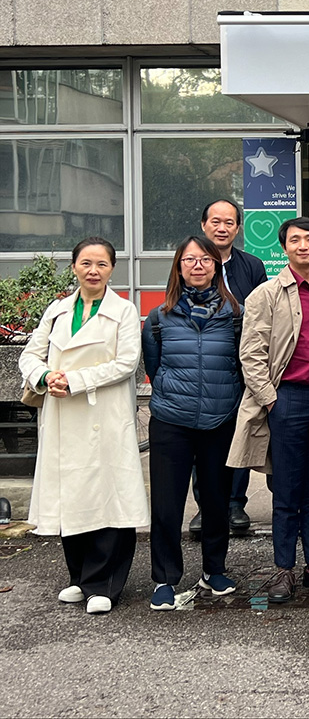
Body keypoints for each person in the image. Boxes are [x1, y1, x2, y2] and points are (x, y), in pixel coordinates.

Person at [227, 218, 309, 604]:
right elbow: (251, 354)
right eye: (295, 240)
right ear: (284, 248)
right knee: (285, 489)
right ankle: (283, 568)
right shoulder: (265, 294)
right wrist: (269, 399)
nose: (303, 245)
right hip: (286, 399)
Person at [19, 237, 149, 615]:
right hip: (63, 415)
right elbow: (30, 353)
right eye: (86, 263)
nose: (94, 271)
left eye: (102, 264)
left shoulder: (123, 311)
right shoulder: (57, 310)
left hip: (102, 414)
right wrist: (44, 376)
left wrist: (73, 381)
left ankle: (104, 584)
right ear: (74, 266)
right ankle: (78, 577)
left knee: (109, 497)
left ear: (112, 269)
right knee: (71, 495)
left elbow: (126, 363)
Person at [143, 236, 243, 610]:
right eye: (189, 259)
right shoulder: (159, 317)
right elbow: (153, 367)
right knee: (167, 504)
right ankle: (165, 579)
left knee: (217, 500)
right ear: (178, 266)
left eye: (205, 259)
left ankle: (214, 570)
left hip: (220, 418)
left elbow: (242, 363)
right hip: (172, 419)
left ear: (216, 266)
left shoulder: (235, 313)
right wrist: (173, 392)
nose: (197, 265)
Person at [197, 199, 267, 535]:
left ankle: (236, 503)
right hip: (203, 365)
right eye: (215, 221)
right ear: (203, 225)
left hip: (243, 364)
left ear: (238, 228)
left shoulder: (252, 266)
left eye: (229, 222)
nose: (221, 228)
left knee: (240, 431)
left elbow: (262, 317)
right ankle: (206, 507)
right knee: (204, 435)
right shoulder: (191, 263)